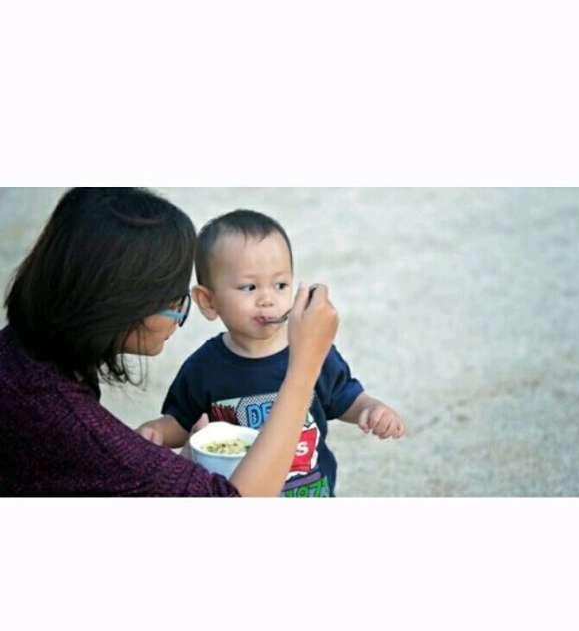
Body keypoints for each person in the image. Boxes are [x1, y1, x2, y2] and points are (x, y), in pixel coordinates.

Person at [0, 189, 338, 497]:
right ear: (119, 302)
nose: (180, 312)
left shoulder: (24, 360)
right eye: (174, 296)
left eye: (280, 285)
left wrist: (181, 467)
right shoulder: (75, 427)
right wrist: (304, 365)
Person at [137, 209, 405, 497]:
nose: (267, 299)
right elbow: (182, 422)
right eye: (249, 287)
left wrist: (371, 409)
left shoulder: (309, 349)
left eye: (280, 285)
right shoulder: (204, 366)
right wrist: (158, 432)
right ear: (208, 301)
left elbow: (346, 397)